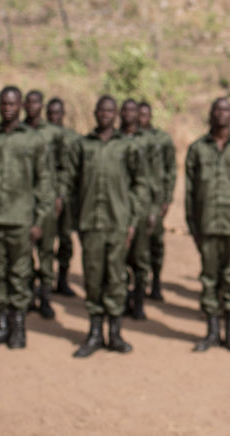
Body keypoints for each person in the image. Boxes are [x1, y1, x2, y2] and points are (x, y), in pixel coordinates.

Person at [64, 96, 148, 357]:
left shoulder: (127, 147)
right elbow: (71, 185)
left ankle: (114, 333)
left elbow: (140, 184)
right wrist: (76, 219)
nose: (105, 114)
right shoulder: (83, 146)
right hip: (90, 224)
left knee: (116, 278)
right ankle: (93, 333)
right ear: (95, 113)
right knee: (92, 278)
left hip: (117, 224)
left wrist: (131, 219)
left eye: (110, 110)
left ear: (116, 114)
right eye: (101, 110)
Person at [0, 86, 54, 350]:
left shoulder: (33, 140)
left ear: (20, 106)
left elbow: (44, 182)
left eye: (12, 104)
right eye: (3, 104)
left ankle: (18, 328)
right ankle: (1, 326)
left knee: (20, 274)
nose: (7, 108)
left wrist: (40, 220)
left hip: (21, 219)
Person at [185, 97, 230, 352]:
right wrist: (192, 226)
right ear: (211, 114)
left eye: (226, 109)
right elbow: (190, 192)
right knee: (208, 279)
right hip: (206, 225)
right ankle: (212, 333)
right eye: (217, 109)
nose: (221, 114)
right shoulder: (197, 149)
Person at [23, 90, 64, 320]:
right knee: (24, 251)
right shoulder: (18, 132)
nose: (32, 106)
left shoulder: (53, 133)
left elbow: (63, 166)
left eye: (36, 102)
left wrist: (60, 195)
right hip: (22, 202)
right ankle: (28, 295)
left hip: (46, 200)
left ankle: (46, 297)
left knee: (46, 251)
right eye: (28, 103)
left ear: (42, 105)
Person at [119, 99, 157, 320]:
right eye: (124, 109)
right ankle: (123, 298)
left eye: (132, 110)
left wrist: (154, 209)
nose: (128, 113)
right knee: (120, 259)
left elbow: (156, 177)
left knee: (140, 259)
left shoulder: (148, 141)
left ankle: (139, 301)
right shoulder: (114, 139)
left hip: (143, 209)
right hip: (118, 210)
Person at [138, 101, 177, 301]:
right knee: (136, 246)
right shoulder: (130, 138)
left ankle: (155, 283)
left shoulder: (162, 139)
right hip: (137, 202)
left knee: (156, 244)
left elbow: (171, 170)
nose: (142, 117)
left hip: (156, 200)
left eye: (146, 114)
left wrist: (167, 199)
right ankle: (138, 285)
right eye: (139, 114)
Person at [46, 97, 81, 297]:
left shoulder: (73, 138)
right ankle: (44, 281)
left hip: (67, 197)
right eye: (50, 113)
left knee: (65, 239)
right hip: (45, 197)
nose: (53, 116)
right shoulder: (40, 136)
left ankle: (63, 279)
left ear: (63, 114)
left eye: (57, 113)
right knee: (45, 241)